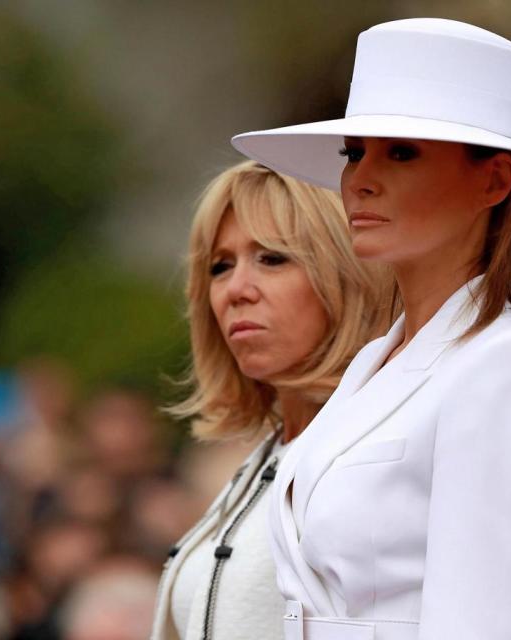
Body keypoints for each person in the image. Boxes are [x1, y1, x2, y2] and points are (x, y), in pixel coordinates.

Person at [231, 18, 511, 639]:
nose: (360, 178)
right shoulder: (372, 365)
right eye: (354, 151)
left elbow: (475, 626)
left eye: (402, 152)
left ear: (494, 181)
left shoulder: (503, 365)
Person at [149, 161, 391, 640]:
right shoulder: (271, 451)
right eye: (220, 266)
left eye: (272, 258)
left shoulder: (382, 448)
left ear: (347, 274)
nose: (236, 290)